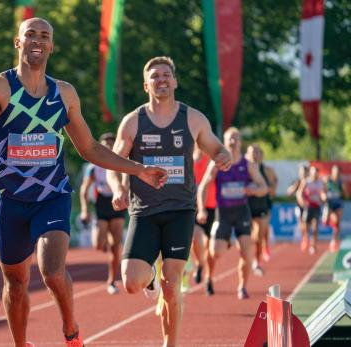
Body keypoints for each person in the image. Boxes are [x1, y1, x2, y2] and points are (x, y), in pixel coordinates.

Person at [0, 18, 167, 347]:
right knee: (15, 283)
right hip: (11, 201)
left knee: (53, 271)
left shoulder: (65, 93)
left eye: (45, 36)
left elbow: (89, 148)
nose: (38, 40)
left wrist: (137, 169)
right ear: (18, 42)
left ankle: (71, 333)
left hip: (52, 195)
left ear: (52, 46)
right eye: (31, 34)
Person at [107, 56, 231, 347]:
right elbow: (113, 162)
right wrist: (116, 189)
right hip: (144, 211)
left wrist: (223, 155)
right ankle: (148, 274)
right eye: (155, 76)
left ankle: (170, 344)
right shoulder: (133, 121)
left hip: (180, 210)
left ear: (174, 81)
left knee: (172, 285)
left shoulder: (192, 118)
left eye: (166, 75)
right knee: (131, 283)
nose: (161, 80)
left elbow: (216, 147)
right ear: (145, 85)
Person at [197, 127, 268, 300]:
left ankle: (242, 287)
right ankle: (209, 276)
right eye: (230, 139)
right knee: (216, 252)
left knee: (247, 252)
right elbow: (203, 186)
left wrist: (254, 190)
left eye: (236, 138)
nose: (233, 142)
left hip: (242, 212)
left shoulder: (248, 165)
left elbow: (264, 187)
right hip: (223, 213)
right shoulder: (216, 164)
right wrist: (201, 209)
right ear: (224, 141)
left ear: (240, 142)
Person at [79, 132, 127, 295]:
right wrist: (85, 209)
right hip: (101, 203)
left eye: (110, 143)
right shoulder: (93, 167)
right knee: (98, 245)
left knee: (115, 246)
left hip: (118, 202)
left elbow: (127, 182)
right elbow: (84, 189)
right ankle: (103, 234)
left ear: (115, 145)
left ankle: (112, 280)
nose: (107, 146)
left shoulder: (120, 162)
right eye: (104, 143)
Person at [245, 144, 277, 276]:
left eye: (257, 152)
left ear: (261, 155)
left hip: (263, 205)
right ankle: (252, 257)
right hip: (247, 206)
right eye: (252, 152)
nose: (254, 155)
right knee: (250, 238)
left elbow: (273, 189)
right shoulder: (243, 169)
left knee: (259, 236)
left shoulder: (267, 170)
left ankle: (257, 262)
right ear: (247, 154)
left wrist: (259, 189)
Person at [192, 146, 217, 286]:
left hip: (212, 205)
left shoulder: (211, 160)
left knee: (210, 246)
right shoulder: (188, 159)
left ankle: (209, 277)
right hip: (194, 206)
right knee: (195, 237)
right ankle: (199, 263)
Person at [297, 165, 326, 255]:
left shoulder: (320, 183)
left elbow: (323, 193)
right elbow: (299, 193)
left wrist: (324, 198)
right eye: (313, 172)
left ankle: (313, 245)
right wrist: (302, 202)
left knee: (315, 227)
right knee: (305, 225)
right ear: (311, 173)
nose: (315, 174)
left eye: (316, 173)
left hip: (316, 206)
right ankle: (305, 238)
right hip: (307, 206)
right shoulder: (306, 182)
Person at [324, 165, 346, 252]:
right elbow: (323, 190)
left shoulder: (341, 182)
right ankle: (332, 222)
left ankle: (334, 241)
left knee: (337, 222)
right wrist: (323, 196)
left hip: (338, 203)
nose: (336, 173)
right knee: (326, 221)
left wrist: (343, 190)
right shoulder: (328, 180)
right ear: (332, 172)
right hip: (329, 203)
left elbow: (345, 194)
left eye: (337, 171)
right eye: (334, 171)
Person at [287, 164, 309, 247]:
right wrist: (294, 187)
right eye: (301, 172)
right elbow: (289, 192)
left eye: (304, 172)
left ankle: (307, 237)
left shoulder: (310, 181)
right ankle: (304, 237)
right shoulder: (297, 181)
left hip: (309, 206)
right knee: (301, 222)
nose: (303, 174)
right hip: (299, 206)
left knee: (307, 223)